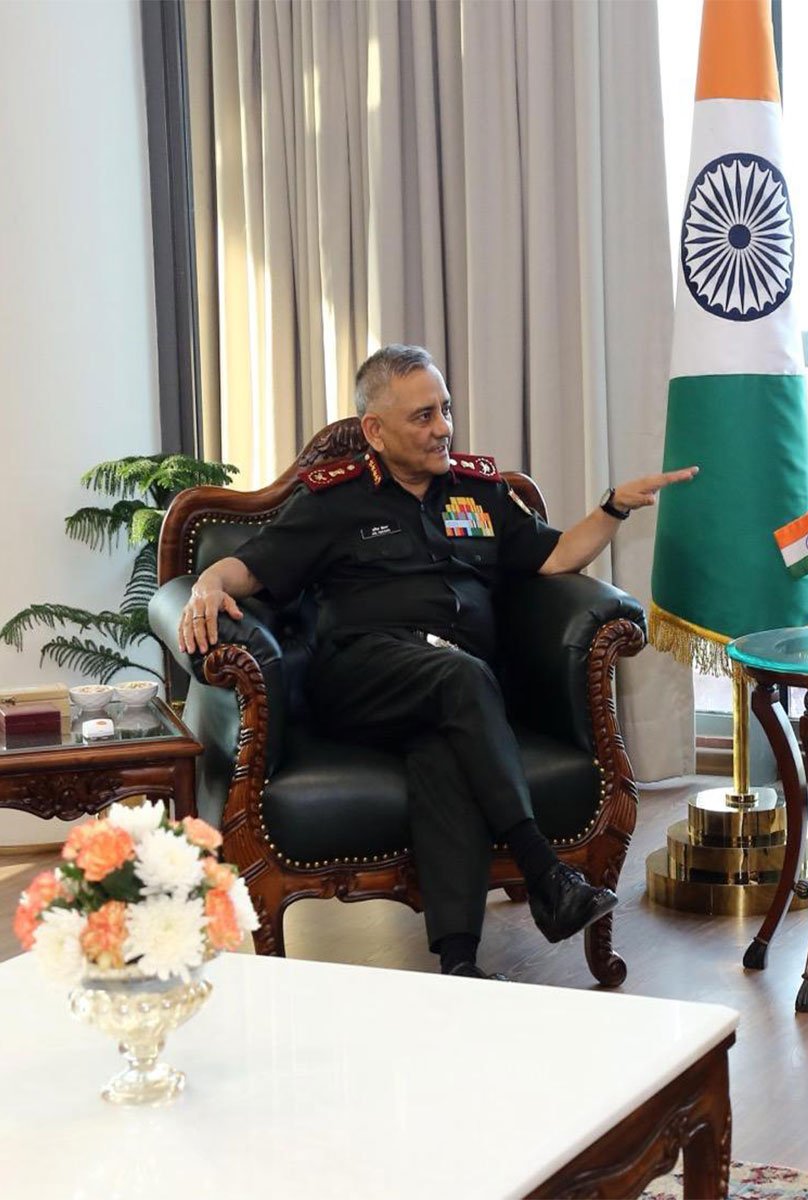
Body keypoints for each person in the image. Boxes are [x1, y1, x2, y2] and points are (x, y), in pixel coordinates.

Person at [176, 344, 697, 980]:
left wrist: (613, 506)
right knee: (461, 677)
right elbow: (248, 569)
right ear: (375, 429)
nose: (443, 428)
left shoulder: (479, 493)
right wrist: (208, 586)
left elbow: (555, 556)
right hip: (362, 677)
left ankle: (458, 964)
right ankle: (544, 872)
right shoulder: (331, 502)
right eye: (423, 417)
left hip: (454, 689)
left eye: (445, 410)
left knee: (443, 746)